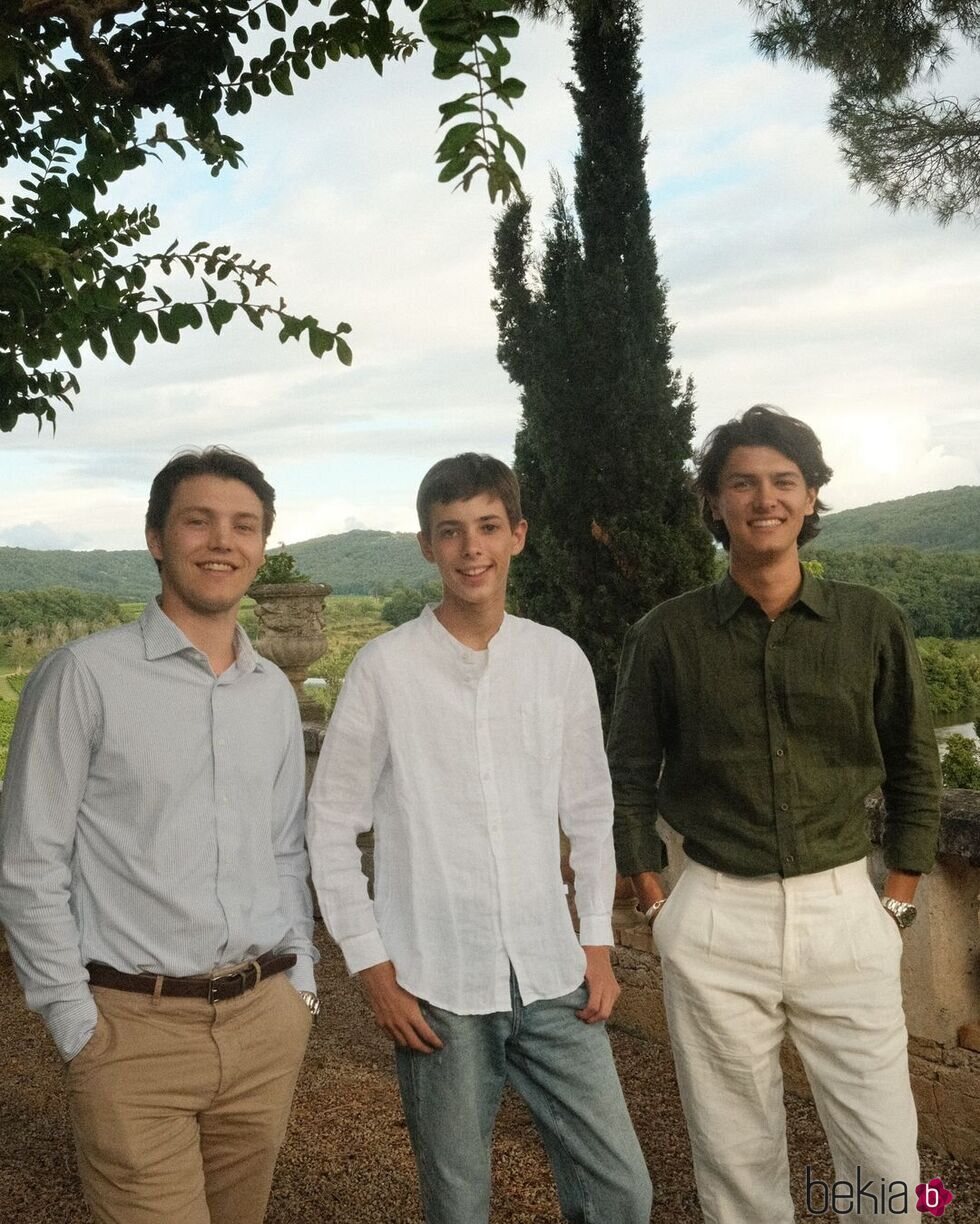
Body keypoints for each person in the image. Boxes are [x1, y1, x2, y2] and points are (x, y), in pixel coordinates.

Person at [608, 404, 942, 1224]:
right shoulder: (666, 635)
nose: (765, 497)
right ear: (714, 504)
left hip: (846, 911)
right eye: (742, 482)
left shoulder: (871, 622)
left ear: (813, 497)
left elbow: (914, 766)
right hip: (716, 914)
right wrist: (656, 901)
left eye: (784, 481)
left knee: (884, 1153)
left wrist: (895, 898)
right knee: (734, 1157)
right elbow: (625, 776)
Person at [306, 453, 652, 1224]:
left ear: (518, 535)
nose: (472, 549)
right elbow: (329, 828)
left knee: (622, 1191)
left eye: (489, 527)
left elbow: (591, 813)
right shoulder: (384, 669)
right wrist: (375, 971)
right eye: (451, 531)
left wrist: (595, 943)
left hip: (553, 972)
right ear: (426, 545)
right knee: (459, 1204)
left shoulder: (557, 660)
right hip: (438, 981)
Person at [0, 447, 318, 1224]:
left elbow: (283, 849)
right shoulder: (84, 677)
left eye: (244, 526)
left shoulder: (272, 692)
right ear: (155, 537)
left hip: (262, 1025)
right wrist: (77, 1026)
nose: (222, 541)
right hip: (130, 1036)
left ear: (262, 547)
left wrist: (300, 988)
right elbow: (27, 866)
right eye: (198, 520)